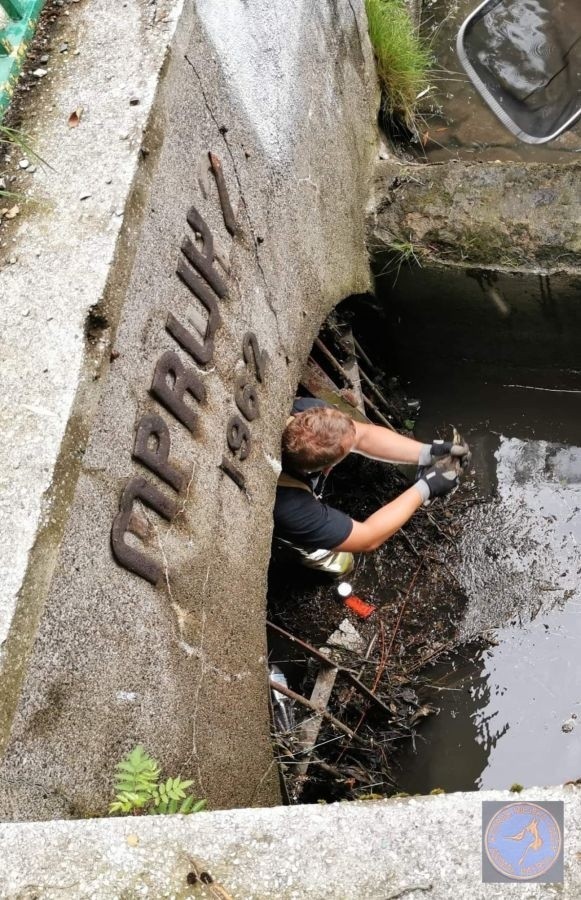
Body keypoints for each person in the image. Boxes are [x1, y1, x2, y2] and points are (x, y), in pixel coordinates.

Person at [272, 398, 469, 576]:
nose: (355, 436)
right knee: (341, 563)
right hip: (285, 520)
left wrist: (428, 452)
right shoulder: (291, 507)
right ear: (326, 466)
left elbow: (364, 436)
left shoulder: (311, 416)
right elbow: (368, 537)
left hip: (303, 480)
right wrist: (427, 487)